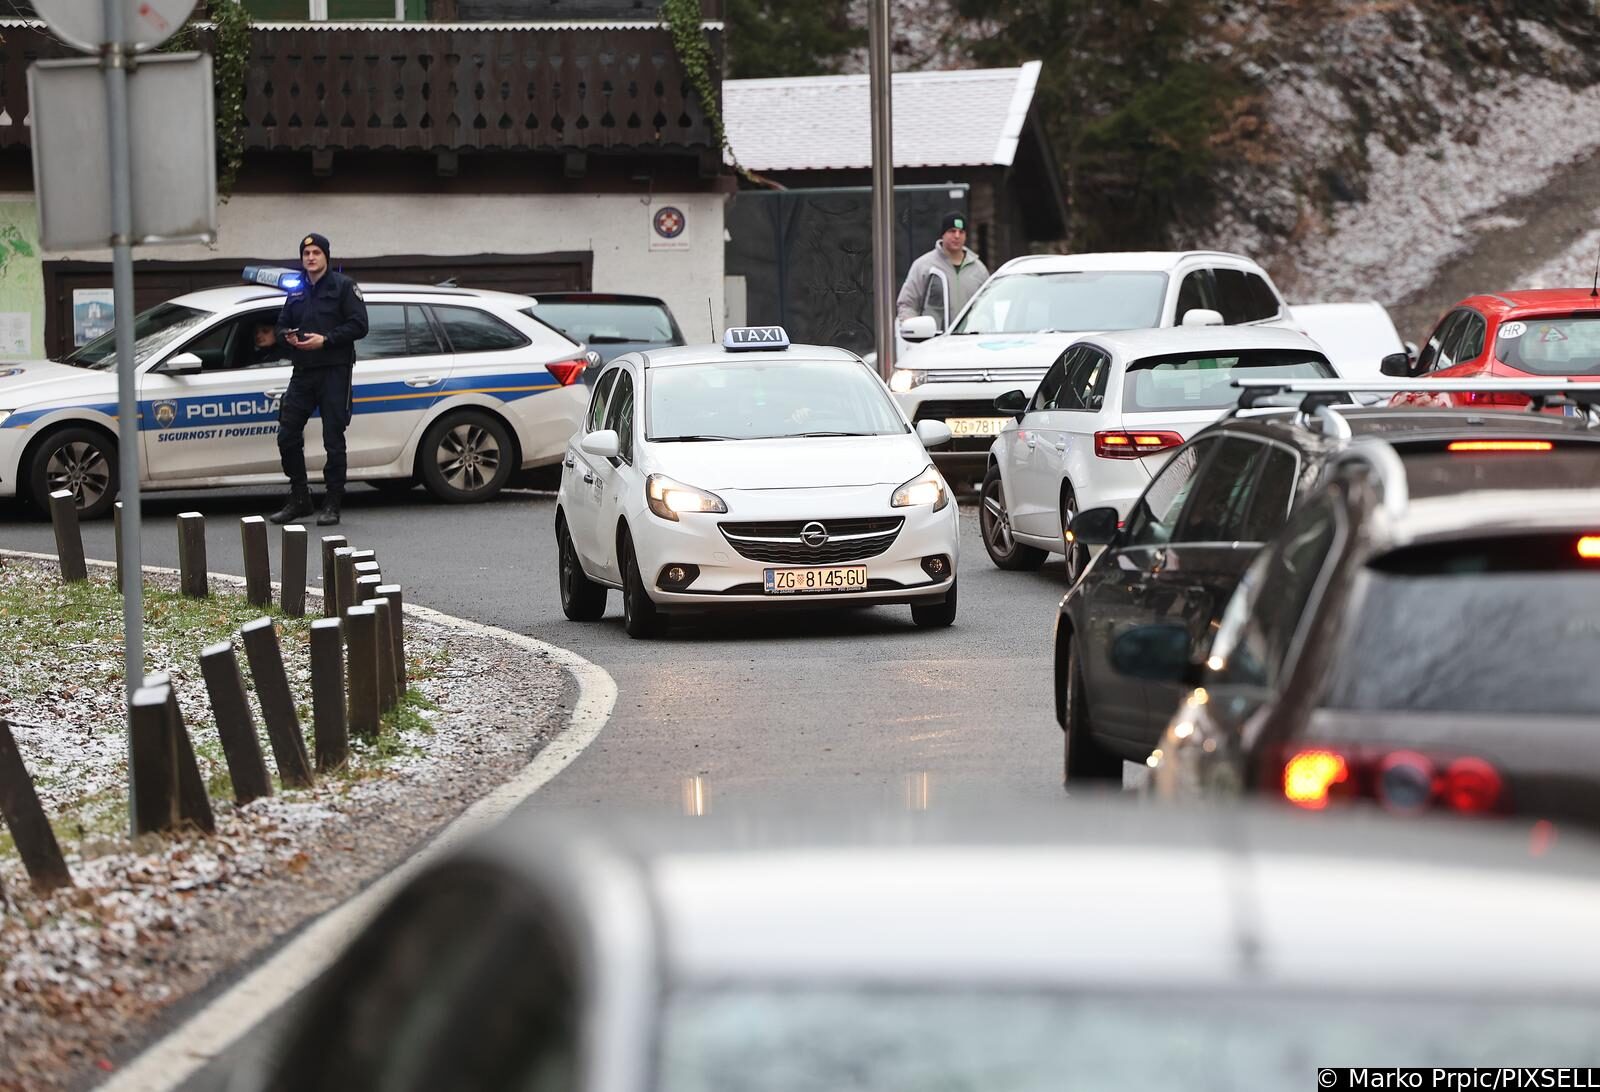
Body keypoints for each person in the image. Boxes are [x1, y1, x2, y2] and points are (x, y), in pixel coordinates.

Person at [267, 232, 369, 527]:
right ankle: (300, 498)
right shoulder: (297, 291)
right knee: (287, 435)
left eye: (316, 253)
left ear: (326, 256)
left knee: (333, 439)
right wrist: (288, 337)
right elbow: (281, 326)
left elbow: (360, 325)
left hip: (334, 371)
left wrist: (325, 340)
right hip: (303, 372)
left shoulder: (344, 287)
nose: (310, 257)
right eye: (306, 253)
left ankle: (332, 502)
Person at [896, 212, 990, 332]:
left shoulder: (979, 269)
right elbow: (907, 304)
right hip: (933, 342)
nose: (957, 236)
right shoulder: (924, 266)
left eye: (961, 232)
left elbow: (988, 310)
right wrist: (915, 334)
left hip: (968, 342)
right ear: (943, 234)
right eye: (952, 231)